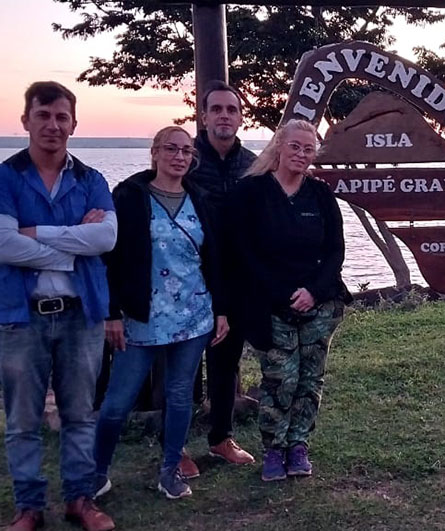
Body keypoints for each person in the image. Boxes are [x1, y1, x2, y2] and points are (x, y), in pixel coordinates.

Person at [0, 81, 116, 531]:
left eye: (61, 117)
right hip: (20, 315)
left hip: (79, 314)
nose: (53, 125)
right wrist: (73, 244)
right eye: (43, 115)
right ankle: (28, 508)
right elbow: (4, 246)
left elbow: (106, 237)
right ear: (26, 120)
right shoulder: (6, 177)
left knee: (79, 413)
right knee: (22, 418)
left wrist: (36, 234)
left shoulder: (91, 179)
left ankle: (80, 500)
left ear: (73, 123)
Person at [94, 126, 229, 500]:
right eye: (171, 148)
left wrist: (222, 309)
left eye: (187, 151)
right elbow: (110, 259)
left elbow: (214, 259)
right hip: (140, 318)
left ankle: (170, 471)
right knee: (117, 402)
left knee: (181, 394)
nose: (180, 156)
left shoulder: (200, 199)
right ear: (154, 152)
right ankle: (97, 472)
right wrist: (111, 313)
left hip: (194, 315)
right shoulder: (129, 196)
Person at [227, 119, 351, 481]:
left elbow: (335, 251)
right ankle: (273, 450)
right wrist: (281, 293)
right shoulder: (250, 193)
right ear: (279, 146)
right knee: (280, 379)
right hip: (270, 306)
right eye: (294, 146)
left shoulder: (321, 194)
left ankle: (298, 446)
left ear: (315, 154)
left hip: (319, 304)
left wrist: (313, 291)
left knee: (310, 380)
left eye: (308, 149)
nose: (300, 154)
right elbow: (244, 253)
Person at [182, 80, 258, 473]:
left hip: (237, 279)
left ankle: (220, 439)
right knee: (183, 363)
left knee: (225, 360)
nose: (224, 116)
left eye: (232, 109)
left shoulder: (254, 163)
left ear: (240, 117)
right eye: (217, 109)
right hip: (188, 277)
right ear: (204, 115)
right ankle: (175, 446)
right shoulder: (186, 160)